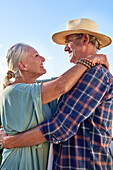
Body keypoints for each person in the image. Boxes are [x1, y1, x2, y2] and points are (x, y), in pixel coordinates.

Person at [0, 18, 112, 169]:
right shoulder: (18, 90)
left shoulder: (95, 74)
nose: (65, 48)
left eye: (68, 41)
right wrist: (90, 59)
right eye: (36, 56)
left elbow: (60, 126)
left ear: (85, 39)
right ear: (22, 65)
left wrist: (13, 140)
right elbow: (59, 84)